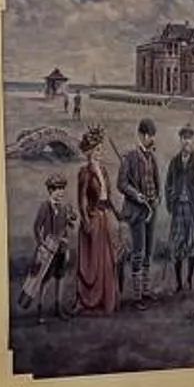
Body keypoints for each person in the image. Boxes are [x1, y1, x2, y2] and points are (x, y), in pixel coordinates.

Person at [73, 126, 119, 314]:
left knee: (105, 261)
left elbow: (108, 197)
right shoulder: (85, 172)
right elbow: (81, 199)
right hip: (92, 219)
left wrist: (117, 214)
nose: (100, 153)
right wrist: (85, 221)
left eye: (101, 149)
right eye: (98, 150)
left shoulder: (104, 171)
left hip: (104, 218)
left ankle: (104, 300)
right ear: (90, 151)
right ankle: (86, 300)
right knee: (90, 262)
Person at [118, 118, 162, 304]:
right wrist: (136, 195)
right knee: (138, 252)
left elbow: (156, 181)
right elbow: (121, 184)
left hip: (152, 209)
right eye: (149, 136)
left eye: (152, 136)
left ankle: (145, 290)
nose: (152, 139)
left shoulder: (152, 157)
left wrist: (158, 197)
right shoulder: (129, 157)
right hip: (137, 211)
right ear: (142, 135)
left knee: (149, 252)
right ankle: (137, 296)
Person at [165, 124, 194, 297]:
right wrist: (170, 203)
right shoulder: (174, 162)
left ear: (193, 141)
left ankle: (189, 280)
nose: (187, 141)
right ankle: (178, 283)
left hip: (193, 210)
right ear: (180, 141)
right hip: (178, 208)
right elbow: (168, 184)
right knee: (177, 245)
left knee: (192, 245)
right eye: (184, 138)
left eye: (189, 138)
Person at [20, 174, 75, 314]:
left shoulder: (64, 208)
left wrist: (70, 222)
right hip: (49, 249)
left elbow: (68, 227)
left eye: (62, 189)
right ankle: (41, 308)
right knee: (45, 278)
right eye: (57, 189)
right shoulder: (44, 207)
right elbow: (37, 227)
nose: (61, 192)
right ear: (50, 190)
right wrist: (42, 244)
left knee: (60, 277)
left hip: (61, 249)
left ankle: (58, 307)